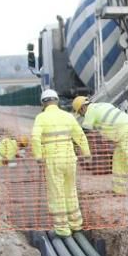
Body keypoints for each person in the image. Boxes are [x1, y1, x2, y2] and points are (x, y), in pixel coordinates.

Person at [31, 89, 91, 237]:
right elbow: (80, 135)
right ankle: (76, 224)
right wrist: (86, 152)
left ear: (43, 103)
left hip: (53, 160)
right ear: (57, 101)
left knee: (57, 192)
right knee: (70, 190)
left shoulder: (41, 118)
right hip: (69, 159)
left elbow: (35, 138)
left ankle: (62, 228)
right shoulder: (68, 116)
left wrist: (38, 156)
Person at [72, 96, 128, 198]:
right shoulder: (103, 104)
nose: (82, 115)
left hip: (125, 132)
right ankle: (119, 190)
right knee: (119, 160)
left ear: (82, 108)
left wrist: (74, 140)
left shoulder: (90, 111)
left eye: (81, 113)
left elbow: (84, 130)